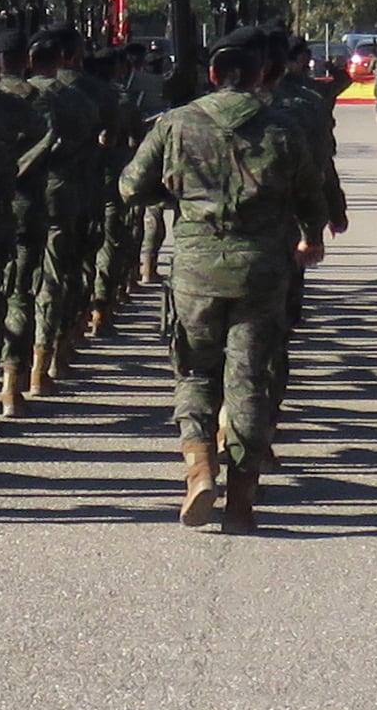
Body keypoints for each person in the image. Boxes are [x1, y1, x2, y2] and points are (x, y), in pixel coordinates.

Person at [112, 26, 343, 533]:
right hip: (261, 267)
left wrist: (181, 200)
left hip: (195, 266)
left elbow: (130, 187)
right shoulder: (282, 128)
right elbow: (312, 194)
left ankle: (199, 468)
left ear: (213, 74)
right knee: (249, 380)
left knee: (194, 373)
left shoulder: (175, 125)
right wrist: (312, 238)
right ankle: (241, 499)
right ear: (261, 74)